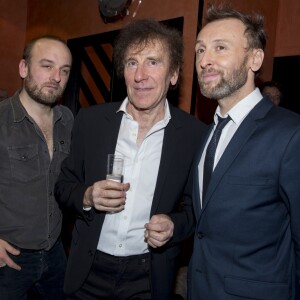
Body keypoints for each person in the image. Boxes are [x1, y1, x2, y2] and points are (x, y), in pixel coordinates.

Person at [55, 19, 206, 300]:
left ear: (173, 75)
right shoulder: (90, 121)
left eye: (153, 62)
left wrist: (174, 225)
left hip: (148, 277)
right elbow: (64, 185)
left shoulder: (194, 135)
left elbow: (195, 210)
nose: (140, 75)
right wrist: (87, 195)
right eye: (132, 63)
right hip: (88, 271)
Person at [188, 5, 300, 300]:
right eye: (200, 50)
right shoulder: (208, 132)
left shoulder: (291, 133)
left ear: (255, 58)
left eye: (220, 48)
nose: (205, 60)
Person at [0, 35, 73, 299]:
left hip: (56, 253)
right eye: (47, 66)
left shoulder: (69, 121)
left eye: (64, 70)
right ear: (23, 69)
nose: (56, 76)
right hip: (9, 259)